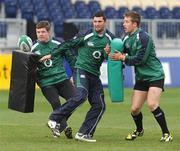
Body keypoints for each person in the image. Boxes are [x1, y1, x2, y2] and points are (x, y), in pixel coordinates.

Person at [40, 11, 116, 142]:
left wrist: (107, 54)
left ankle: (83, 133)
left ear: (105, 22)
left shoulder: (110, 38)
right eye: (95, 21)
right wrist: (52, 55)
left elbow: (110, 57)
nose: (96, 24)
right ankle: (54, 118)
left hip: (94, 74)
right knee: (81, 96)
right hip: (81, 69)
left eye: (99, 21)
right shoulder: (86, 34)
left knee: (100, 105)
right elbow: (68, 44)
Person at [108, 11, 173, 142]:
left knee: (152, 104)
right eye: (123, 21)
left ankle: (167, 133)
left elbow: (140, 59)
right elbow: (119, 54)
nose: (123, 24)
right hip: (141, 78)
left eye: (126, 22)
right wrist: (110, 51)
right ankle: (139, 130)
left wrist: (123, 57)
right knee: (135, 109)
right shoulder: (126, 38)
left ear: (135, 24)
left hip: (155, 75)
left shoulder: (144, 37)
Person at [31, 21, 76, 139]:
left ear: (49, 32)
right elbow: (29, 69)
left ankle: (57, 123)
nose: (40, 34)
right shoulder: (33, 48)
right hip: (46, 83)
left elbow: (71, 59)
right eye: (38, 32)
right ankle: (64, 126)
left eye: (43, 32)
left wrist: (73, 76)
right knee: (56, 103)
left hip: (62, 79)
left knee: (76, 100)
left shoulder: (58, 43)